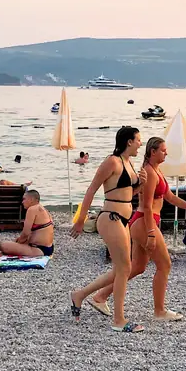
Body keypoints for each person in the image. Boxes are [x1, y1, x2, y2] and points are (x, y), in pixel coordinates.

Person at [90, 137, 186, 323]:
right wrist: (151, 232)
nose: (166, 153)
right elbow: (147, 206)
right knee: (164, 265)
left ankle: (100, 296)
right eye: (163, 150)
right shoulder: (149, 173)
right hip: (144, 222)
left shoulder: (158, 171)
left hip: (144, 223)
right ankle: (159, 311)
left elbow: (170, 197)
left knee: (137, 267)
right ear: (153, 152)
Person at [70, 126, 145, 333]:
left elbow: (126, 193)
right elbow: (92, 189)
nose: (140, 143)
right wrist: (80, 219)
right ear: (129, 141)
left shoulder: (129, 163)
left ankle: (80, 295)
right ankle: (119, 320)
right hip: (110, 218)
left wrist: (140, 186)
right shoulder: (112, 161)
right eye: (138, 140)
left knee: (122, 268)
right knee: (124, 268)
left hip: (122, 218)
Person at [0, 189, 55, 257]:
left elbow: (26, 233)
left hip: (39, 249)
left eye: (24, 199)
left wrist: (18, 243)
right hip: (49, 247)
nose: (22, 202)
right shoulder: (43, 209)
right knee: (16, 241)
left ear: (31, 199)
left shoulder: (32, 209)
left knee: (3, 245)